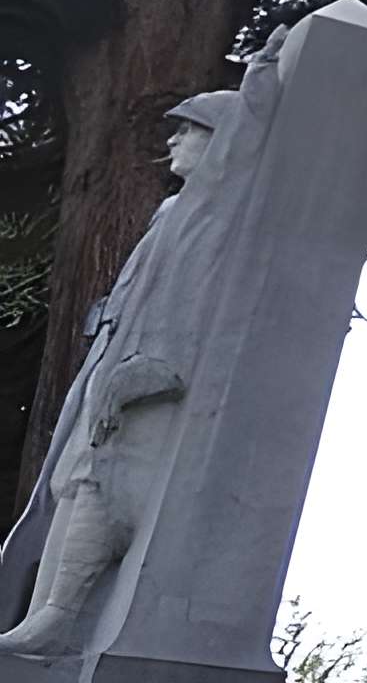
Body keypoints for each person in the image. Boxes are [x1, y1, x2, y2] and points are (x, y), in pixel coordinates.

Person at [0, 50, 280, 654]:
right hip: (112, 364)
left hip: (148, 379)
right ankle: (43, 620)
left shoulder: (215, 213)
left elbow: (192, 300)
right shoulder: (171, 213)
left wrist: (260, 81)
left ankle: (58, 615)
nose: (175, 139)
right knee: (73, 480)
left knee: (106, 479)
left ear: (221, 142)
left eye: (191, 129)